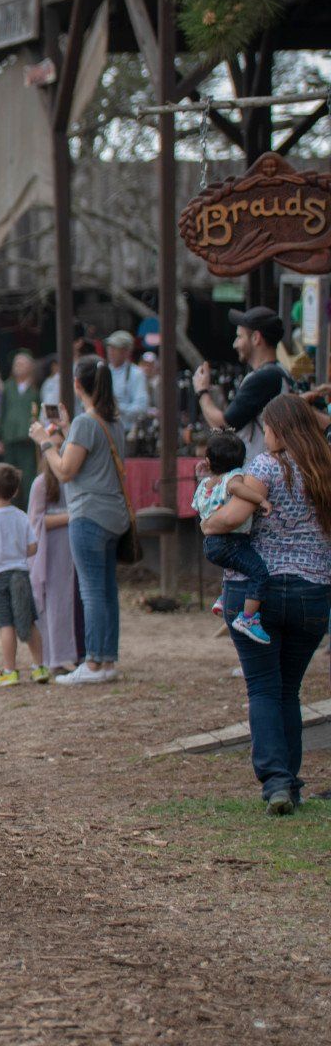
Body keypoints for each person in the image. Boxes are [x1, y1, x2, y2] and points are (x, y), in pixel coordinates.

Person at [199, 395, 331, 815]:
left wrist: (207, 522)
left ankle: (276, 782)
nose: (265, 434)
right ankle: (290, 782)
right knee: (288, 689)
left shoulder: (265, 467)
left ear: (279, 428)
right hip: (314, 591)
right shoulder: (325, 467)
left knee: (262, 687)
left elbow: (232, 517)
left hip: (259, 590)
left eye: (268, 427)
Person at [30, 356, 129, 684]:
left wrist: (45, 441)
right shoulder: (111, 421)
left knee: (92, 591)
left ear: (76, 384)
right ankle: (108, 659)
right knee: (107, 590)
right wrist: (69, 428)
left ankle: (95, 663)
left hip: (88, 514)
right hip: (114, 514)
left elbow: (65, 470)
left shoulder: (87, 423)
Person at [194, 432, 273, 646]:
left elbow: (202, 504)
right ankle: (248, 618)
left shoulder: (206, 484)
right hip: (231, 540)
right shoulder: (235, 476)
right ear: (243, 460)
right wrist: (260, 499)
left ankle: (223, 597)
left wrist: (205, 474)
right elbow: (236, 488)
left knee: (235, 566)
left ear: (209, 461)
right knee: (259, 572)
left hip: (211, 543)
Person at [0, 463, 45, 687]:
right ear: (14, 492)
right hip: (21, 574)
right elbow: (32, 548)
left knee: (7, 624)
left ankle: (10, 670)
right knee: (28, 619)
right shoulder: (21, 516)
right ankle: (40, 667)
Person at [194, 307, 292, 461]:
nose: (235, 344)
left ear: (256, 338)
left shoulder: (265, 377)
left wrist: (202, 392)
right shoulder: (280, 372)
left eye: (239, 337)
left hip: (260, 475)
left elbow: (224, 426)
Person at [26, 461, 78, 677]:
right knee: (54, 601)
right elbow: (35, 521)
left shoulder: (75, 480)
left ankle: (70, 654)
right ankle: (53, 656)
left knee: (70, 602)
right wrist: (72, 516)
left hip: (73, 547)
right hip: (51, 549)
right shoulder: (41, 483)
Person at [0, 351, 41, 497]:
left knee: (28, 476)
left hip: (27, 437)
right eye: (16, 363)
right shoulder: (8, 387)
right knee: (8, 476)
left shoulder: (35, 388)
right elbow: (1, 412)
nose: (18, 366)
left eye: (21, 363)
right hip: (9, 436)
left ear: (30, 367)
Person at [105, 331, 150, 437]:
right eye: (109, 347)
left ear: (126, 352)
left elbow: (141, 408)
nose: (110, 351)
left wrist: (117, 407)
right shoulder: (103, 371)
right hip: (104, 430)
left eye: (115, 348)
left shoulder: (136, 374)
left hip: (125, 432)